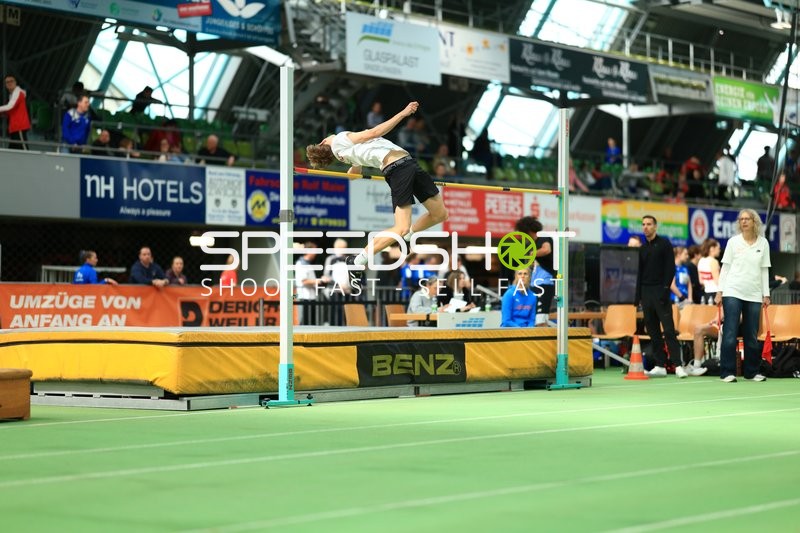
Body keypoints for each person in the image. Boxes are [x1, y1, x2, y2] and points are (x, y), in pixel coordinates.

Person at [305, 101, 448, 291]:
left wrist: (353, 165)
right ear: (324, 142)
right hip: (399, 169)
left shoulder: (345, 153)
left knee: (440, 215)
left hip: (408, 164)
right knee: (401, 227)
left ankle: (405, 238)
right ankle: (357, 260)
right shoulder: (339, 140)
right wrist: (403, 113)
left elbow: (354, 175)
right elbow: (373, 133)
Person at [715, 209, 771, 383]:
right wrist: (719, 291)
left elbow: (764, 271)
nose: (744, 222)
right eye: (741, 219)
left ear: (754, 222)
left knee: (751, 335)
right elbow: (725, 268)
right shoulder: (733, 242)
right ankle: (727, 372)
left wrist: (766, 294)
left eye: (747, 219)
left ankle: (752, 372)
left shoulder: (763, 243)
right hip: (732, 291)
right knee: (730, 332)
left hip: (754, 294)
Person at [635, 215, 686, 378]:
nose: (646, 227)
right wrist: (637, 298)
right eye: (643, 224)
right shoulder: (642, 249)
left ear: (655, 227)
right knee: (653, 331)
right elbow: (639, 274)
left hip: (661, 292)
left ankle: (678, 365)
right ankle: (660, 365)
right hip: (646, 292)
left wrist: (665, 289)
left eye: (649, 224)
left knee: (669, 330)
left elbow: (670, 269)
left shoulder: (664, 245)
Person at [515, 216, 554, 326]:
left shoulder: (543, 238)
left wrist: (532, 254)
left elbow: (547, 249)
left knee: (541, 317)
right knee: (533, 314)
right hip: (534, 282)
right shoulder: (529, 245)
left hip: (545, 281)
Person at [0, 74, 31, 150]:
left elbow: (10, 106)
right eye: (7, 82)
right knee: (13, 151)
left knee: (24, 151)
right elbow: (11, 110)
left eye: (11, 81)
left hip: (19, 126)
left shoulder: (18, 93)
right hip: (14, 127)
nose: (9, 83)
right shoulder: (12, 95)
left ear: (16, 82)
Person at [697, 238, 721, 304]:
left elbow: (701, 281)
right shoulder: (713, 261)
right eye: (718, 248)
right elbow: (718, 281)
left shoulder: (701, 261)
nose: (719, 250)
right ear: (712, 249)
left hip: (706, 293)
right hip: (716, 294)